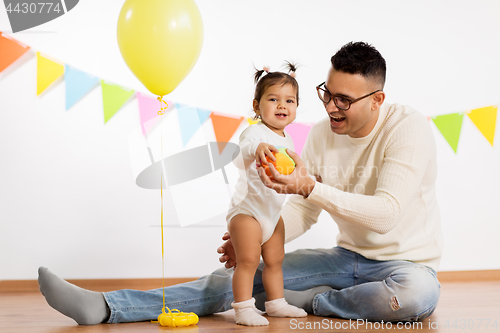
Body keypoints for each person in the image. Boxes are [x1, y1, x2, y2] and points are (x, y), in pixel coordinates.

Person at [37, 41, 442, 325]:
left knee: (415, 298)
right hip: (344, 256)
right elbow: (304, 209)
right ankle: (107, 307)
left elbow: (386, 215)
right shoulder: (321, 134)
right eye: (326, 93)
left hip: (408, 266)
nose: (331, 108)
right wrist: (262, 233)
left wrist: (307, 186)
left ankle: (316, 301)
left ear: (377, 99)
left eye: (344, 101)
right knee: (246, 273)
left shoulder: (408, 130)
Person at [226, 63, 307, 326]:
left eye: (289, 101)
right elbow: (239, 158)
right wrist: (255, 148)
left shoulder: (289, 140)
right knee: (248, 260)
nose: (282, 106)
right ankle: (243, 308)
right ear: (256, 105)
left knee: (275, 259)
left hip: (272, 213)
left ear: (296, 108)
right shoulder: (254, 133)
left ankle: (276, 303)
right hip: (247, 211)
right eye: (273, 99)